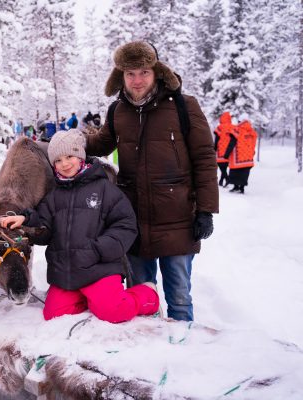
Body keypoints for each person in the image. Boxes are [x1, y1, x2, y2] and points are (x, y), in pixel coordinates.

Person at [83, 41, 219, 321]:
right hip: (132, 221)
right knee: (140, 301)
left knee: (179, 299)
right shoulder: (117, 111)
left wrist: (206, 210)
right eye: (130, 73)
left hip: (177, 219)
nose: (137, 80)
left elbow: (205, 158)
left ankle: (182, 355)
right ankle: (147, 363)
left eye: (144, 72)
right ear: (121, 75)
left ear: (156, 71)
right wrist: (65, 145)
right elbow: (101, 144)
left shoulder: (184, 106)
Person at [0, 129, 159, 323]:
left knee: (113, 311)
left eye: (69, 156)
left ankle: (148, 295)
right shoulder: (53, 196)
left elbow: (125, 225)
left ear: (80, 156)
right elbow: (44, 228)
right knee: (54, 315)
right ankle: (90, 299)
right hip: (67, 274)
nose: (64, 164)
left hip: (99, 268)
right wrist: (26, 221)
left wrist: (97, 250)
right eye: (58, 160)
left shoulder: (104, 189)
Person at [224, 119, 257, 194]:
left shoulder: (237, 130)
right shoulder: (252, 132)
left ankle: (236, 187)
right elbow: (254, 144)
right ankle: (242, 188)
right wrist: (252, 152)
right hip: (248, 158)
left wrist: (226, 154)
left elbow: (231, 143)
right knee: (244, 173)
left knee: (235, 172)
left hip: (237, 158)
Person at [214, 111, 235, 187]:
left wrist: (214, 149)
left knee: (221, 166)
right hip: (229, 151)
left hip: (221, 150)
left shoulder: (219, 128)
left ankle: (227, 179)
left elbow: (216, 140)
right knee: (225, 166)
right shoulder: (233, 127)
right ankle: (221, 181)